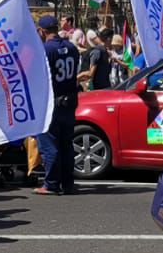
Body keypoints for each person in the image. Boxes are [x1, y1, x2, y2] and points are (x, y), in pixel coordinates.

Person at [34, 14, 79, 195]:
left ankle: (51, 183)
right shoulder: (71, 47)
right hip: (70, 101)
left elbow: (40, 77)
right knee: (67, 144)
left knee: (50, 143)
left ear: (42, 31)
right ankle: (68, 183)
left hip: (52, 102)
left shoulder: (45, 50)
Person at [81, 27, 116, 92]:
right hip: (98, 90)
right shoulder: (97, 52)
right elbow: (91, 74)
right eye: (112, 39)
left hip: (106, 87)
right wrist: (79, 77)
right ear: (108, 39)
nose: (112, 42)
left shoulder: (105, 51)